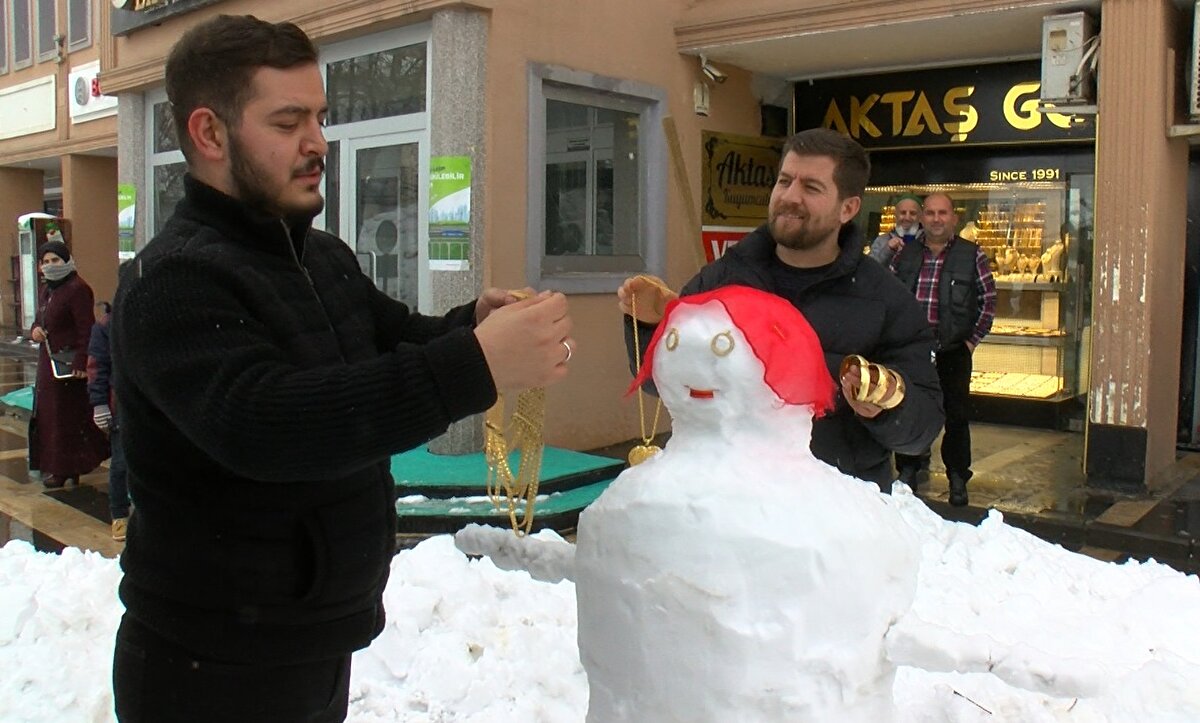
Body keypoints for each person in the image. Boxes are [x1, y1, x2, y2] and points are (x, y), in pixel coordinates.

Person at [109, 15, 574, 723]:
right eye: (288, 121)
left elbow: (393, 344)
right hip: (206, 665)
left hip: (312, 640)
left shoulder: (321, 256)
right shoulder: (171, 281)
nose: (317, 144)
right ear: (208, 134)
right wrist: (474, 363)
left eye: (320, 118)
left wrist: (472, 326)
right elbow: (265, 422)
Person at [618, 128, 943, 489]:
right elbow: (663, 385)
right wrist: (651, 326)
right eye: (785, 181)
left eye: (811, 187)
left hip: (834, 508)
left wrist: (888, 406)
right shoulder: (723, 277)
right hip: (725, 497)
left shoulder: (885, 299)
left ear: (848, 208)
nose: (790, 197)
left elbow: (921, 430)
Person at [890, 192, 997, 506]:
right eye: (931, 213)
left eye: (943, 213)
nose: (936, 219)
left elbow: (988, 303)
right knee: (906, 409)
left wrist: (969, 342)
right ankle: (907, 470)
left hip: (952, 351)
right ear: (923, 218)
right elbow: (892, 299)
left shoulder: (971, 255)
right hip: (912, 351)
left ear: (954, 218)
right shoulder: (906, 256)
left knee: (956, 417)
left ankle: (957, 477)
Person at [28, 240, 110, 489]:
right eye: (46, 262)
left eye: (56, 260)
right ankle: (57, 466)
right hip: (49, 363)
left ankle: (67, 469)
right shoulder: (48, 290)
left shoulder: (77, 289)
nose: (50, 266)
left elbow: (87, 328)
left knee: (67, 418)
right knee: (50, 417)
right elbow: (38, 320)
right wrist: (35, 331)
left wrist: (82, 361)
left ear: (67, 261)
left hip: (69, 367)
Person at [87, 301, 129, 541]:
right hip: (121, 403)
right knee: (121, 463)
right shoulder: (107, 326)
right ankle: (119, 515)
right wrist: (99, 403)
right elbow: (96, 367)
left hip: (151, 402)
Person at [868, 193, 923, 266]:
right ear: (895, 216)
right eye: (903, 213)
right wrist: (887, 249)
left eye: (912, 213)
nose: (907, 218)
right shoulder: (882, 241)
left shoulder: (928, 241)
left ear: (920, 217)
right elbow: (868, 270)